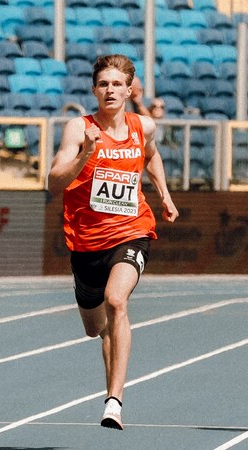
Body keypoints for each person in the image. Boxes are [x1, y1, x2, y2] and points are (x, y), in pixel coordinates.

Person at [47, 54, 178, 431]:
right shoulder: (79, 128)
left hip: (131, 231)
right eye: (103, 84)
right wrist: (86, 153)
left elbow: (150, 156)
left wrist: (164, 194)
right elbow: (54, 182)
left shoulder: (143, 126)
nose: (110, 90)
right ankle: (108, 348)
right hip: (87, 242)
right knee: (94, 327)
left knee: (117, 300)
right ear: (94, 90)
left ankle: (114, 401)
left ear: (129, 90)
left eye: (117, 84)